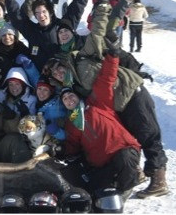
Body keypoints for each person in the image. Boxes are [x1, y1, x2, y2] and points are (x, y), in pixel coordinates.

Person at [58, 52, 141, 197]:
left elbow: (106, 78)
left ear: (78, 96)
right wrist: (61, 151)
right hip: (102, 165)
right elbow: (72, 145)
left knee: (124, 159)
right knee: (94, 190)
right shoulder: (72, 123)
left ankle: (126, 187)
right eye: (64, 99)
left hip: (124, 150)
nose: (69, 99)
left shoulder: (97, 103)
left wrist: (113, 56)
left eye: (70, 95)